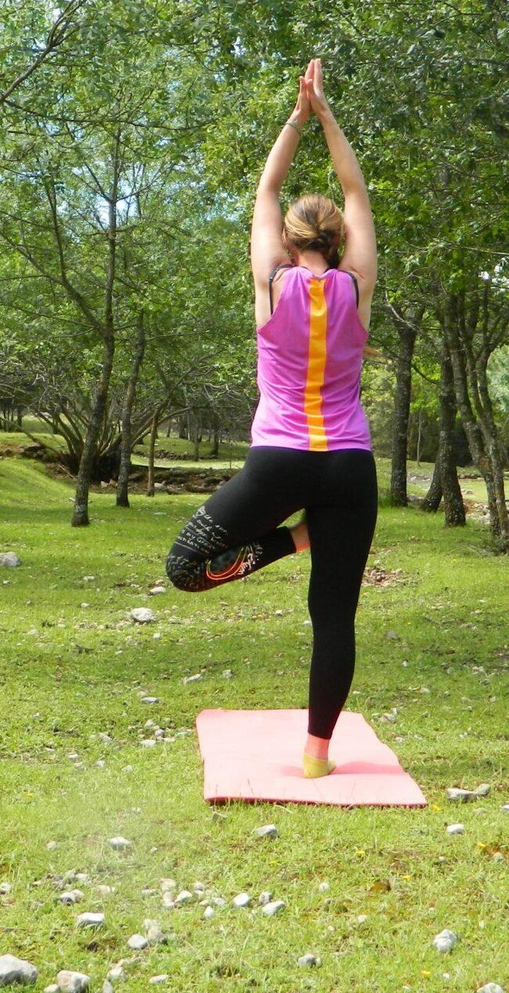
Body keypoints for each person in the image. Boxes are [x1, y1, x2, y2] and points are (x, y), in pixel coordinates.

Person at [164, 57, 378, 779]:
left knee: (185, 568)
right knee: (335, 619)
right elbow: (355, 187)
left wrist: (298, 113)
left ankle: (298, 542)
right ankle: (318, 757)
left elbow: (266, 189)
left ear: (290, 244)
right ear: (341, 241)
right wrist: (329, 115)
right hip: (350, 466)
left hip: (282, 459)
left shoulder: (271, 282)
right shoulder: (357, 286)